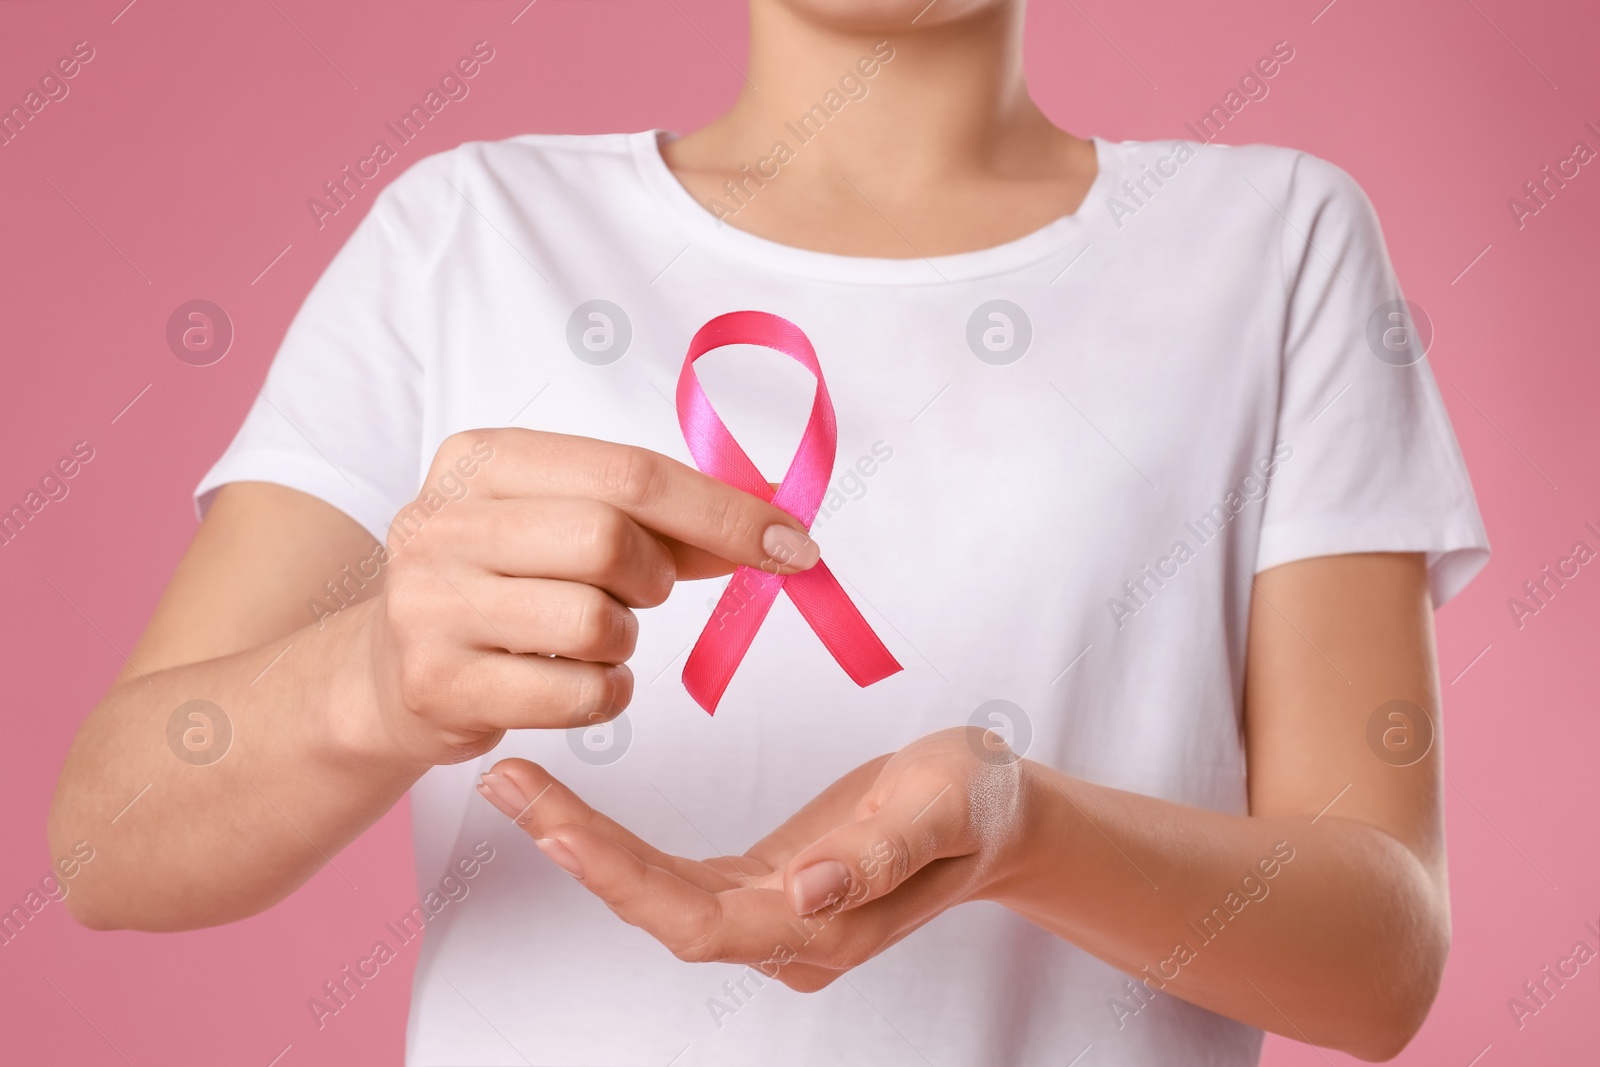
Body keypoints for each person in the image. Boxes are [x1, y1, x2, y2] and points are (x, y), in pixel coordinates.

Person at [48, 0, 1489, 1063]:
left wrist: (1017, 829)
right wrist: (368, 682)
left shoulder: (1272, 243)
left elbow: (1379, 958)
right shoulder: (465, 233)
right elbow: (107, 843)